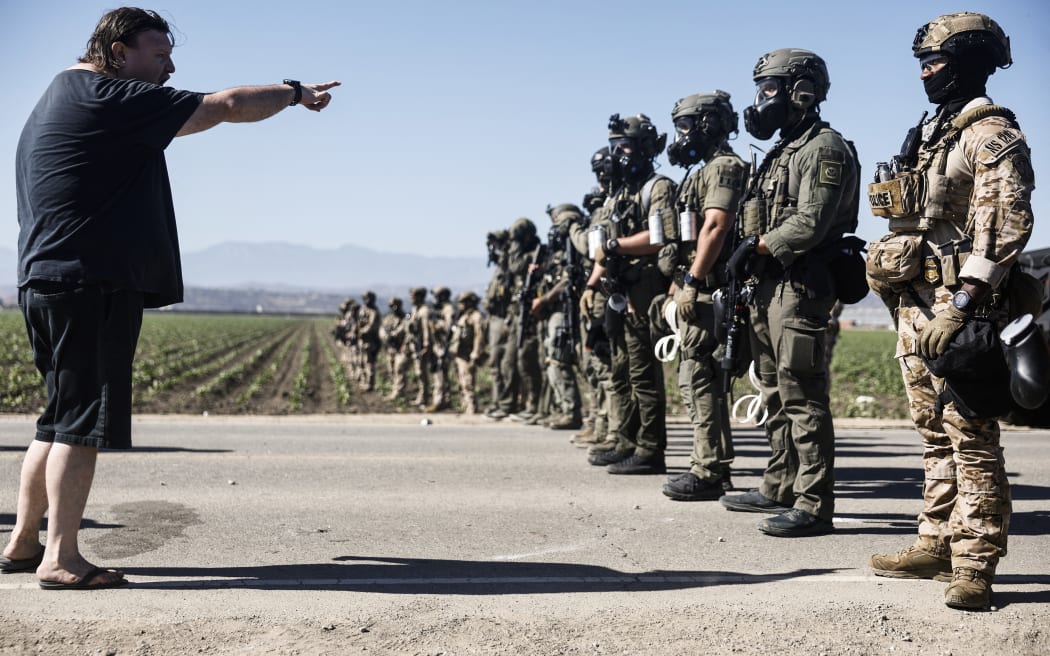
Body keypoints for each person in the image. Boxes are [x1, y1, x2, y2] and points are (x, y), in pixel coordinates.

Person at [2, 7, 338, 589]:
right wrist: (294, 93)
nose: (170, 67)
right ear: (116, 51)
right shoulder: (110, 96)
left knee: (56, 420)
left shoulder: (64, 93)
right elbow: (226, 106)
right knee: (81, 425)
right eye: (158, 56)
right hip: (89, 284)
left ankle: (24, 541)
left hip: (48, 280)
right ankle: (61, 558)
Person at [866, 12, 1033, 610]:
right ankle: (936, 542)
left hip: (961, 307)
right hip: (916, 305)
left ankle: (975, 564)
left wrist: (961, 305)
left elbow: (1005, 225)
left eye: (934, 61)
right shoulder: (936, 131)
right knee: (933, 434)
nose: (925, 73)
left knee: (970, 436)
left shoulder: (990, 135)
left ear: (966, 61)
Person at [717, 49, 859, 537]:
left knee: (801, 393)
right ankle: (779, 483)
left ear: (802, 90)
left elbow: (810, 223)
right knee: (773, 390)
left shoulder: (825, 147)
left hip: (800, 285)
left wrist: (757, 245)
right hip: (768, 283)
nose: (761, 100)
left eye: (770, 89)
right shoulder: (785, 150)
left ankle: (815, 503)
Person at [659, 91, 747, 501]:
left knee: (699, 379)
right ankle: (712, 465)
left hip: (712, 291)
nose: (679, 135)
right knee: (697, 380)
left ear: (707, 124)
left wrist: (692, 282)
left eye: (685, 125)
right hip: (698, 286)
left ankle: (709, 470)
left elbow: (716, 225)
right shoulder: (702, 171)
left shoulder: (724, 167)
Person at [587, 114, 675, 475]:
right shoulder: (623, 193)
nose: (617, 155)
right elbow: (603, 250)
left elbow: (657, 238)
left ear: (643, 149)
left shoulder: (658, 188)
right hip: (621, 292)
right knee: (621, 371)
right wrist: (595, 282)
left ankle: (650, 448)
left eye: (623, 146)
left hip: (645, 291)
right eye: (614, 147)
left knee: (642, 374)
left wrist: (616, 245)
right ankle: (626, 439)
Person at [535, 204, 586, 430]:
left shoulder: (574, 246)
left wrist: (545, 300)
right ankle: (565, 409)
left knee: (561, 357)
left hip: (569, 309)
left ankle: (572, 412)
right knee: (554, 358)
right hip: (557, 311)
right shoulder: (556, 252)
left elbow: (567, 280)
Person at [482, 230, 516, 419]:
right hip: (494, 318)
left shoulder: (510, 264)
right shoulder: (499, 270)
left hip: (504, 318)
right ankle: (498, 401)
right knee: (495, 365)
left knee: (506, 365)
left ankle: (506, 403)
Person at [450, 291, 485, 414]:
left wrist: (475, 353)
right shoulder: (463, 316)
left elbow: (478, 336)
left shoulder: (476, 317)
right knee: (461, 382)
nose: (461, 305)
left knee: (467, 382)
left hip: (467, 353)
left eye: (463, 302)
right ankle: (464, 406)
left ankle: (471, 408)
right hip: (459, 354)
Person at [426, 287, 455, 412]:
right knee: (440, 373)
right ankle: (444, 400)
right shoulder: (441, 309)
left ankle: (439, 401)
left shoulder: (448, 310)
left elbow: (449, 328)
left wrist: (435, 325)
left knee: (440, 373)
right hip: (439, 345)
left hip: (444, 346)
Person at [407, 287, 434, 408]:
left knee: (422, 373)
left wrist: (426, 345)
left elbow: (425, 329)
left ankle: (424, 397)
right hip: (415, 345)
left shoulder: (424, 311)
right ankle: (422, 396)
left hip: (421, 346)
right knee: (419, 373)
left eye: (413, 296)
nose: (411, 298)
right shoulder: (415, 310)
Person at [381, 297, 411, 401]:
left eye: (395, 306)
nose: (393, 308)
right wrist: (385, 335)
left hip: (401, 348)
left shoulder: (406, 318)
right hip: (390, 348)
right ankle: (395, 391)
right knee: (391, 370)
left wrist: (393, 335)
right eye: (391, 306)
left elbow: (404, 330)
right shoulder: (388, 318)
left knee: (399, 370)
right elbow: (382, 329)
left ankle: (399, 393)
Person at [357, 291, 382, 391]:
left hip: (370, 341)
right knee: (361, 362)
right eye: (365, 298)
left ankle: (370, 384)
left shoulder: (374, 312)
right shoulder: (363, 310)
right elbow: (359, 322)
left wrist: (361, 331)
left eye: (368, 298)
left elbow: (371, 327)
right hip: (363, 341)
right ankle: (364, 381)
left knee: (369, 363)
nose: (366, 301)